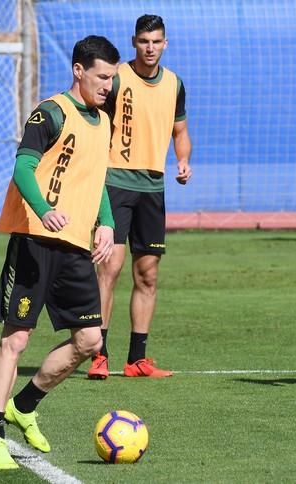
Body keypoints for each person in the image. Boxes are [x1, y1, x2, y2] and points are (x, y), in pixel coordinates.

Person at [0, 35, 120, 469]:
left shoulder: (105, 120)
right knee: (17, 339)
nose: (108, 86)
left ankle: (24, 405)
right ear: (78, 70)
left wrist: (107, 224)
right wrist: (44, 210)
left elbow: (96, 179)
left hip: (77, 246)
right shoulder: (52, 112)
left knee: (89, 340)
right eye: (102, 77)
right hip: (36, 242)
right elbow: (23, 166)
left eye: (113, 78)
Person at [86, 14, 192, 380]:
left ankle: (137, 360)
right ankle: (98, 354)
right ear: (134, 42)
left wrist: (183, 160)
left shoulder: (175, 84)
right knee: (110, 267)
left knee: (147, 274)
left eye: (157, 41)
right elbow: (93, 122)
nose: (150, 48)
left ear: (165, 44)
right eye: (144, 41)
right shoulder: (117, 78)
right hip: (115, 182)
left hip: (153, 187)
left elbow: (180, 131)